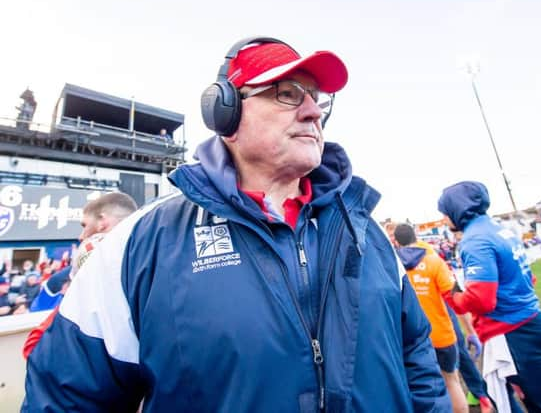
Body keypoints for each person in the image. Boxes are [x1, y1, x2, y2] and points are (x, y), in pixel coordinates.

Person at [23, 37, 451, 412]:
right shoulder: (140, 244)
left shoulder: (366, 232)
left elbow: (417, 355)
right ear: (224, 115)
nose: (311, 112)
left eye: (316, 98)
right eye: (287, 93)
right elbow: (66, 397)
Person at [439, 180, 541, 413]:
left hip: (514, 333)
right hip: (529, 323)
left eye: (445, 213)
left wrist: (454, 297)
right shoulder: (500, 229)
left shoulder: (475, 240)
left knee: (538, 406)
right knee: (507, 395)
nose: (445, 219)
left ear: (457, 209)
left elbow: (482, 300)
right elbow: (529, 278)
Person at [22, 192, 137, 359]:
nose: (81, 236)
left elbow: (33, 348)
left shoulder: (71, 280)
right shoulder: (153, 273)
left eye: (84, 225)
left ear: (103, 222)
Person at [393, 223, 469, 413]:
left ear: (397, 241)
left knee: (423, 391)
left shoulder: (393, 266)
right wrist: (471, 330)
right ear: (415, 237)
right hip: (441, 334)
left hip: (412, 341)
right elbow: (455, 299)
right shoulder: (434, 261)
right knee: (452, 382)